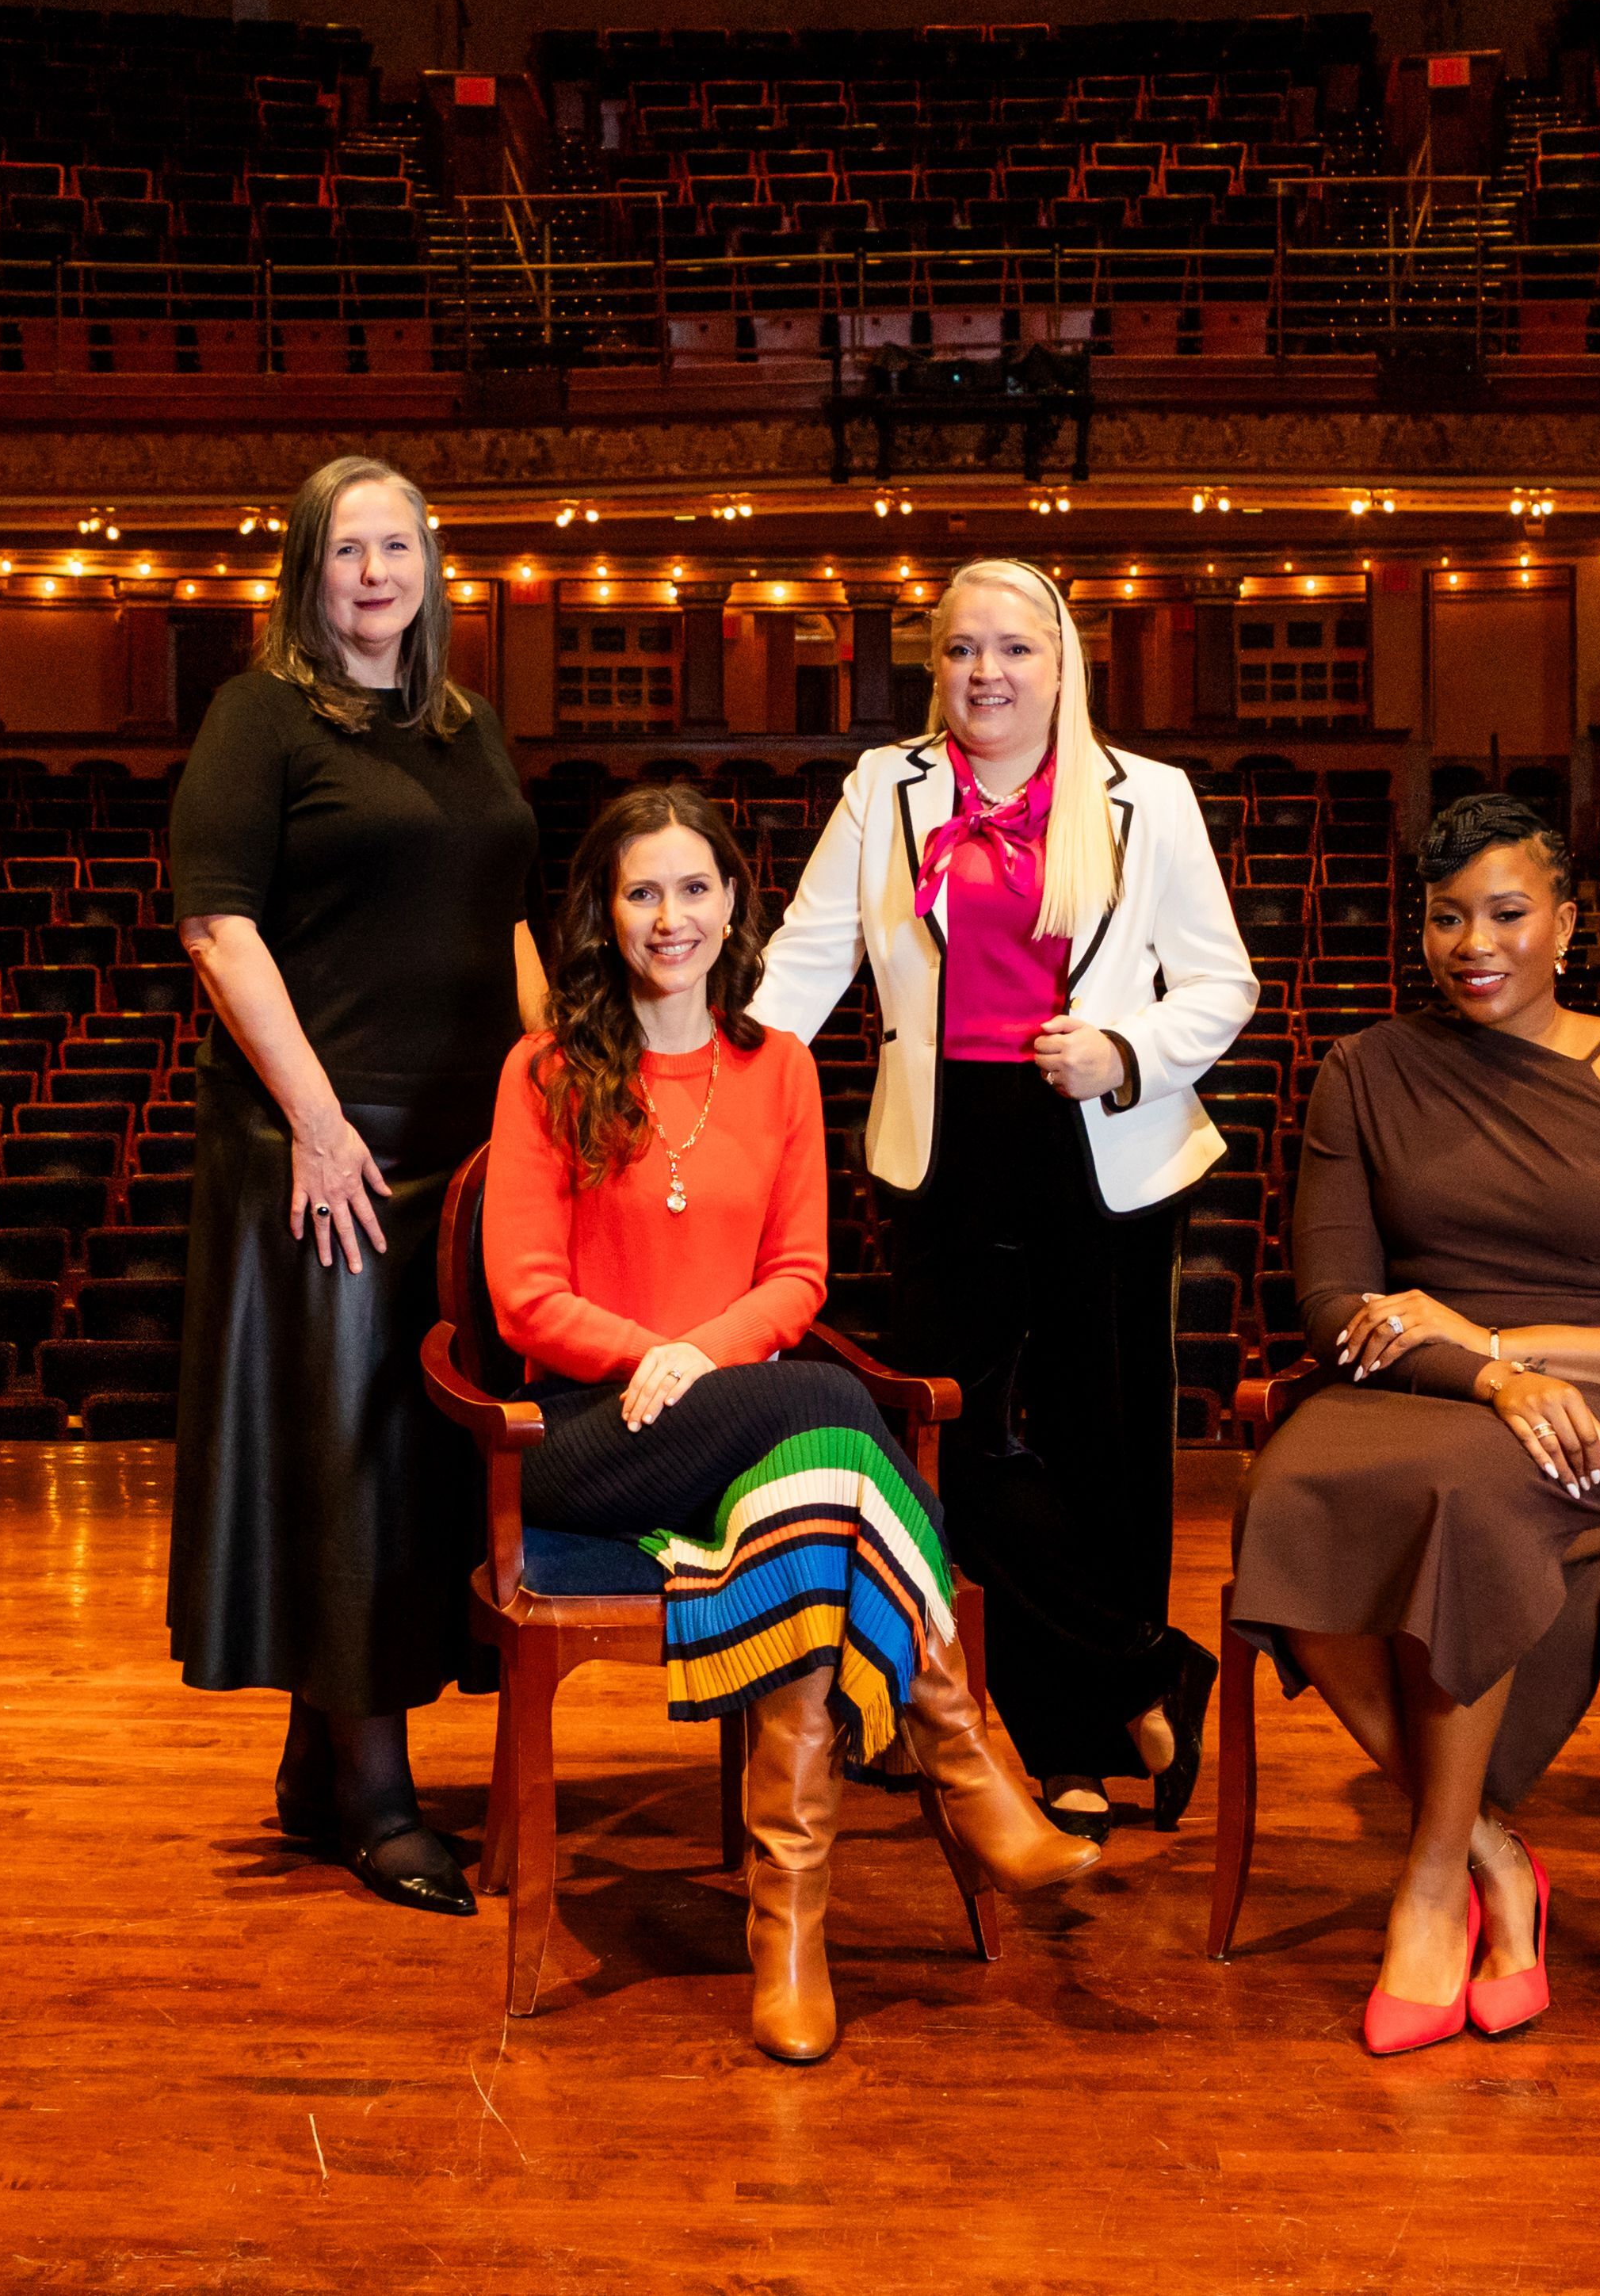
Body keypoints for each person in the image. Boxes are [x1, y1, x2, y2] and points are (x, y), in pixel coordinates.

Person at [479, 785, 1094, 2065]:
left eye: (693, 888)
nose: (670, 917)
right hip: (587, 1439)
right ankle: (964, 1756)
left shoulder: (781, 1069)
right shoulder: (543, 1071)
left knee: (817, 1505)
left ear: (732, 905)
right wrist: (652, 1358)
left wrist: (699, 1358)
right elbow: (524, 1298)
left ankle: (792, 1941)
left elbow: (797, 1276)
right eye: (641, 892)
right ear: (603, 912)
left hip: (738, 1439)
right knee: (827, 1402)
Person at [1232, 794, 1600, 2053]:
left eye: (1507, 913)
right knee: (1282, 1494)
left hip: (1596, 1408)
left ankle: (1430, 1888)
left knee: (1469, 1500)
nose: (1474, 944)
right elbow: (1331, 1304)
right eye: (1445, 917)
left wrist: (1512, 1351)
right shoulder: (1366, 1071)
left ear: (1567, 926)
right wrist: (1476, 1373)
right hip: (1416, 1385)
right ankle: (1489, 1852)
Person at [756, 558, 1258, 1835]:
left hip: (1105, 1139)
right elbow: (805, 963)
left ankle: (1073, 1746)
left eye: (1014, 648)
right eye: (961, 649)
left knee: (1105, 1441)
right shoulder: (884, 788)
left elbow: (1222, 982)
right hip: (945, 1145)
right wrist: (708, 1082)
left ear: (1061, 660)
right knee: (953, 1443)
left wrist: (1126, 1050)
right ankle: (1141, 1672)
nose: (986, 672)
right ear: (934, 666)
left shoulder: (1148, 795)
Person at [166, 453, 546, 1917]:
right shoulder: (260, 717)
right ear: (306, 574)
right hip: (325, 1144)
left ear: (430, 569)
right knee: (353, 1463)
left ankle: (317, 1759)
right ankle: (377, 1797)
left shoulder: (464, 724)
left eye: (397, 548)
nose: (375, 574)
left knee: (423, 1455)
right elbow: (218, 930)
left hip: (466, 1142)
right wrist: (322, 1127)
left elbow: (504, 919)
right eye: (346, 550)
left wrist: (548, 1085)